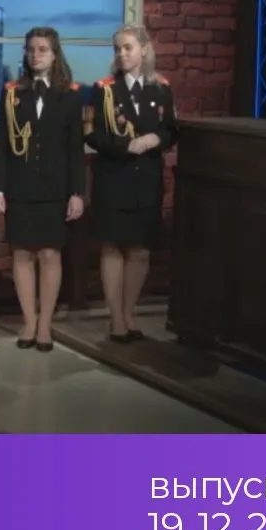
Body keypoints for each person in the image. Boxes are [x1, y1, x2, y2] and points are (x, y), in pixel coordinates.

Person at [0, 27, 85, 352]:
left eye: (43, 49)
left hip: (56, 188)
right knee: (22, 254)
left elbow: (75, 148)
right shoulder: (12, 93)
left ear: (55, 54)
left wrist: (77, 192)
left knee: (50, 254)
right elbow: (2, 144)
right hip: (20, 186)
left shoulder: (70, 94)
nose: (36, 55)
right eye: (31, 49)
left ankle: (45, 325)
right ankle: (29, 322)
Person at [85, 25, 177, 344]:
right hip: (113, 179)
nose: (121, 54)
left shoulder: (161, 88)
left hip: (146, 181)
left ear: (144, 50)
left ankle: (128, 313)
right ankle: (116, 320)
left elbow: (172, 130)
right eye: (117, 49)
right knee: (113, 247)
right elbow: (91, 133)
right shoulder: (103, 89)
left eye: (128, 48)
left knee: (139, 250)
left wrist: (156, 139)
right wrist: (125, 146)